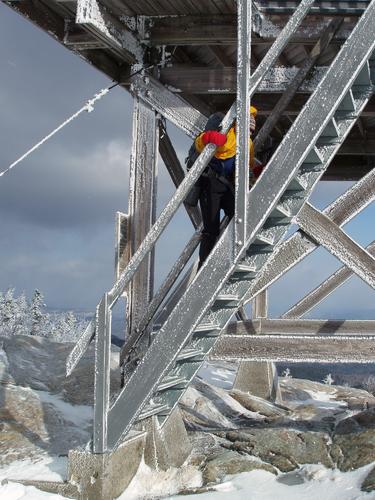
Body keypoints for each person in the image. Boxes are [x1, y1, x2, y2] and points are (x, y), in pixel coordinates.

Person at [194, 106, 258, 268]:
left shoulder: (247, 143)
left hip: (227, 185)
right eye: (249, 122)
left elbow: (247, 167)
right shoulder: (227, 134)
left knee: (239, 216)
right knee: (211, 228)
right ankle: (204, 265)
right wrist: (208, 137)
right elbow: (200, 142)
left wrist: (257, 171)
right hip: (211, 184)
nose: (251, 128)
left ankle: (231, 254)